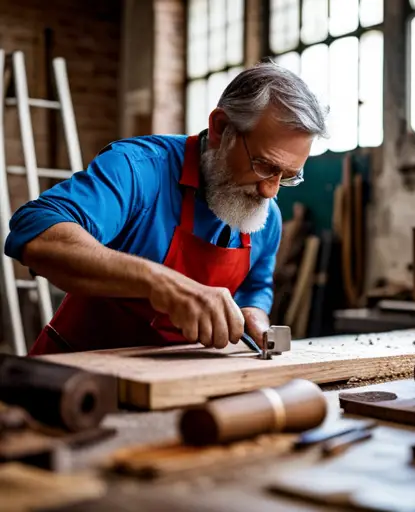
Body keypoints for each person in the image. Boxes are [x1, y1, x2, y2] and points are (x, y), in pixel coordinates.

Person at [4, 61, 327, 356]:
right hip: (76, 378)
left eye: (288, 176)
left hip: (174, 387)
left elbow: (256, 287)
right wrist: (163, 285)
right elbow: (37, 232)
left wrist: (253, 315)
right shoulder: (138, 169)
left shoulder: (264, 217)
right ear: (220, 128)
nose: (269, 190)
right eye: (263, 164)